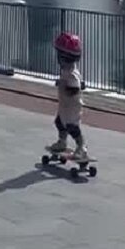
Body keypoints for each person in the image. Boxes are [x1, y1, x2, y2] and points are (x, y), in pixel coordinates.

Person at [48, 31, 90, 161]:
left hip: (72, 106)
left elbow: (75, 88)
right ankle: (62, 141)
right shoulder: (66, 70)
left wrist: (64, 87)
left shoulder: (72, 73)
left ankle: (82, 147)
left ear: (64, 57)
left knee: (73, 127)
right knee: (59, 122)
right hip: (64, 105)